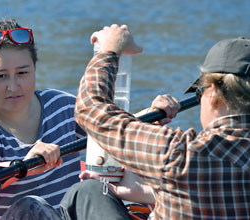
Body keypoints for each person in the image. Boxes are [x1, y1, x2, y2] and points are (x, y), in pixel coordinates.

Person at [60, 24, 250, 219]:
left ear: (214, 95)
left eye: (200, 92)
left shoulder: (182, 153)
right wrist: (156, 192)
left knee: (87, 192)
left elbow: (90, 110)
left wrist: (109, 50)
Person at [0, 18, 86, 220]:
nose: (13, 86)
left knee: (93, 190)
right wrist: (22, 166)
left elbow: (112, 132)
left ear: (34, 68)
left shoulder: (63, 106)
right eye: (1, 76)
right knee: (30, 206)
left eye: (22, 73)